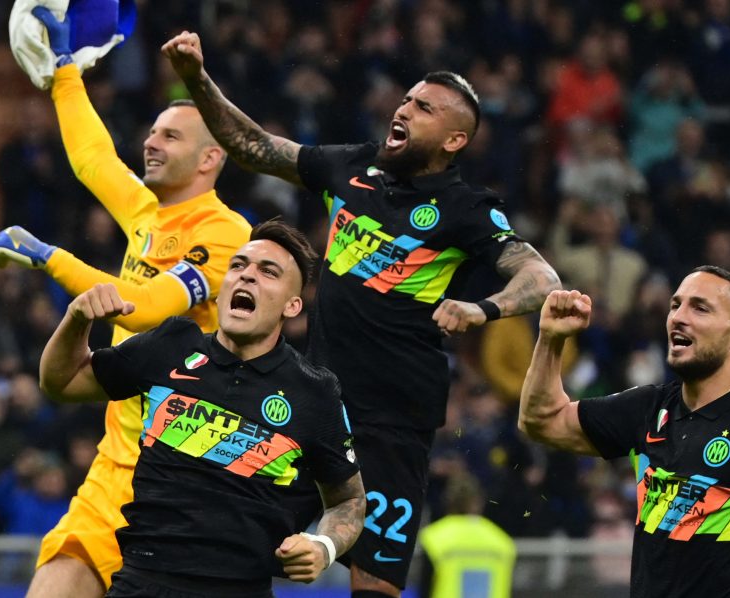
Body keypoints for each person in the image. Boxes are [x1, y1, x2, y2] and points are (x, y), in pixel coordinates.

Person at [163, 30, 561, 596]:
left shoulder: (466, 209)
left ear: (454, 140)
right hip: (312, 403)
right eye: (407, 99)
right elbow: (254, 146)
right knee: (237, 547)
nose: (404, 109)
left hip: (393, 421)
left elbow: (541, 278)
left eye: (424, 108)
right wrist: (197, 79)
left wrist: (482, 309)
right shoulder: (352, 167)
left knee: (373, 585)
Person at [0, 10, 251, 597]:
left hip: (186, 483)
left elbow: (148, 306)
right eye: (152, 132)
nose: (150, 142)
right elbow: (92, 160)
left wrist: (50, 258)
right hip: (115, 469)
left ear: (210, 159)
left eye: (170, 136)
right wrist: (65, 74)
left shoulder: (225, 233)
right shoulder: (146, 213)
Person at [39, 221, 365, 597]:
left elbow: (349, 500)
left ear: (292, 306)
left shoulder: (313, 392)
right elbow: (61, 383)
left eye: (268, 272)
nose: (247, 276)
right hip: (142, 582)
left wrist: (324, 547)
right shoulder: (171, 344)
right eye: (238, 266)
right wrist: (76, 320)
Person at [518, 266, 730, 596]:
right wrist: (551, 339)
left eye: (700, 308)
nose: (678, 317)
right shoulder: (647, 408)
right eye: (676, 305)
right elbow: (541, 421)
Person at [418, 473, 515, 598]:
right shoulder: (502, 541)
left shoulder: (434, 537)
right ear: (478, 501)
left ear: (448, 501)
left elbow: (425, 588)